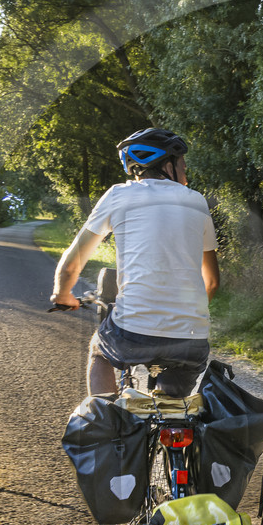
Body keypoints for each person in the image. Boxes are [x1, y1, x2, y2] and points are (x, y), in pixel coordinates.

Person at [52, 126, 220, 398]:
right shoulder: (197, 202)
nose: (186, 175)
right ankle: (170, 422)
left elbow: (73, 263)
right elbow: (211, 282)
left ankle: (104, 420)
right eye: (183, 166)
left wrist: (62, 293)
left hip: (132, 333)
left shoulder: (119, 195)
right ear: (168, 165)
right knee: (172, 407)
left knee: (99, 350)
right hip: (191, 338)